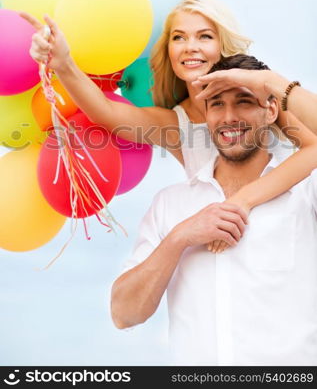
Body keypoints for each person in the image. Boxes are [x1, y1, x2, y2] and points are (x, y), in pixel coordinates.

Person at [20, 0, 317, 252]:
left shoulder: (257, 95)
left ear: (222, 45)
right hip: (224, 240)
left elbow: (313, 146)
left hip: (286, 230)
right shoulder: (177, 124)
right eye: (179, 37)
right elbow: (107, 112)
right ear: (170, 52)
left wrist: (242, 201)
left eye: (204, 36)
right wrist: (63, 62)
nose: (190, 47)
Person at [110, 54, 317, 366]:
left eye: (245, 101)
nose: (229, 116)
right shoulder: (171, 204)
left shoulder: (306, 193)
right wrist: (179, 237)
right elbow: (124, 314)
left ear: (271, 109)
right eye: (217, 104)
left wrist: (271, 83)